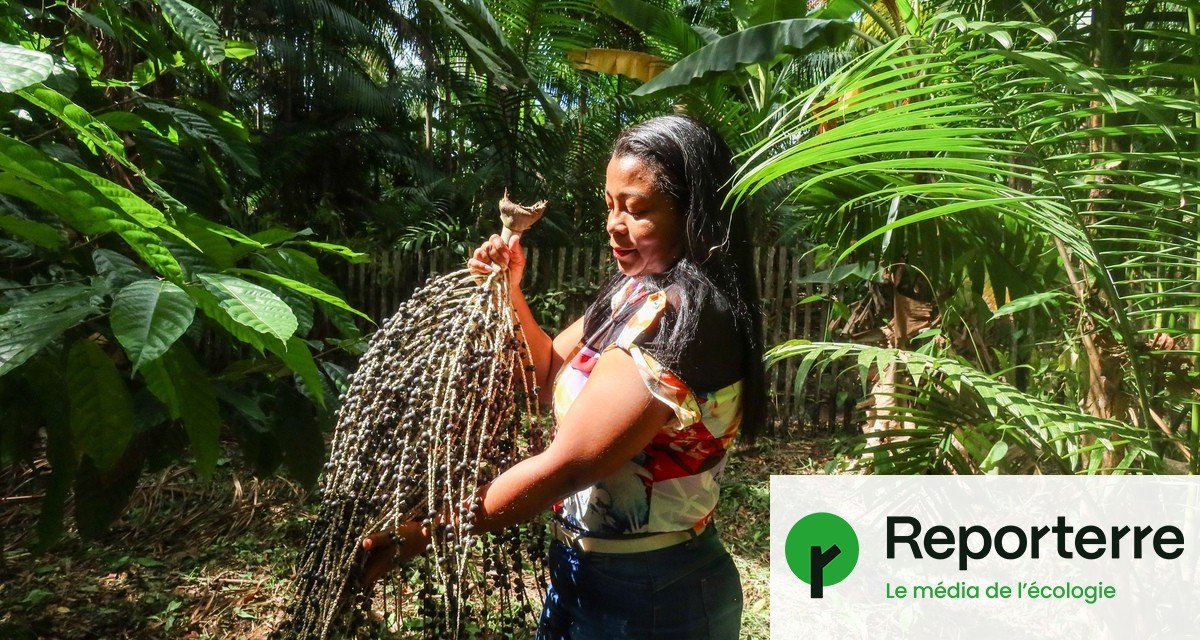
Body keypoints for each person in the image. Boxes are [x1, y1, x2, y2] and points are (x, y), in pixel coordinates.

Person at [359, 114, 766, 639]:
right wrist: (510, 290)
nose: (614, 225)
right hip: (583, 574)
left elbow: (568, 466)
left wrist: (426, 533)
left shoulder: (686, 316)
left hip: (652, 595)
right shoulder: (633, 292)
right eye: (610, 205)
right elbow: (548, 369)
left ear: (694, 215)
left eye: (637, 210)